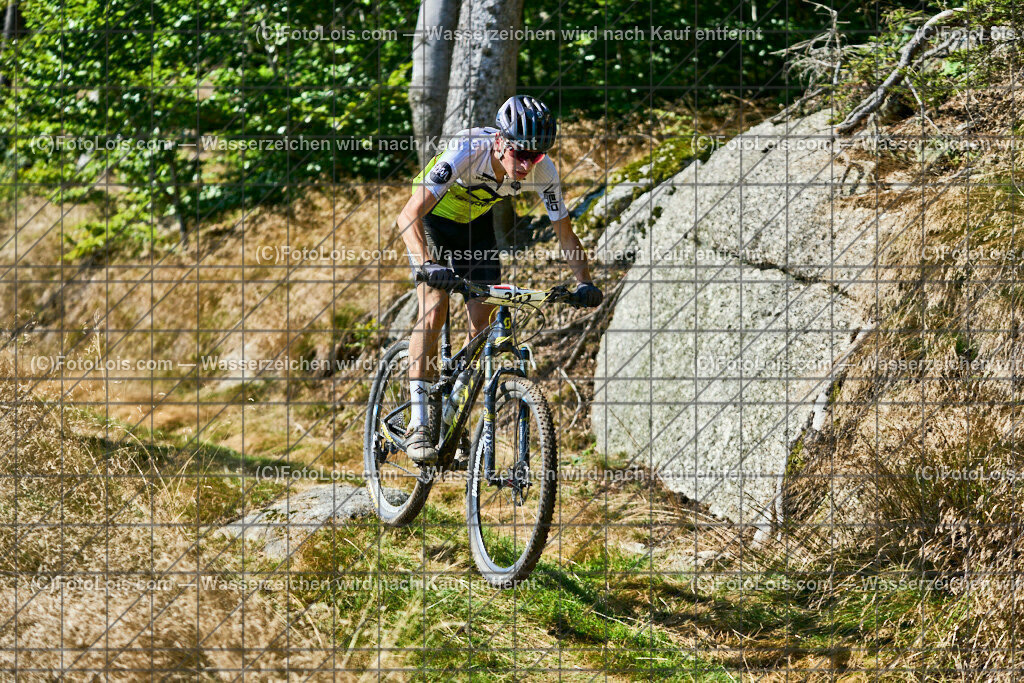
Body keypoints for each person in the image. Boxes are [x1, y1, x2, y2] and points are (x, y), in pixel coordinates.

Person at [394, 94, 603, 465]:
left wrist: (584, 282)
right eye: (520, 153)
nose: (525, 165)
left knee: (482, 327)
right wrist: (427, 263)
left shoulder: (543, 170)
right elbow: (407, 215)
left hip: (475, 229)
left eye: (534, 156)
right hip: (432, 219)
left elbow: (565, 233)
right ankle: (419, 423)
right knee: (435, 307)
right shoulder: (467, 149)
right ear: (500, 141)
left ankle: (450, 415)